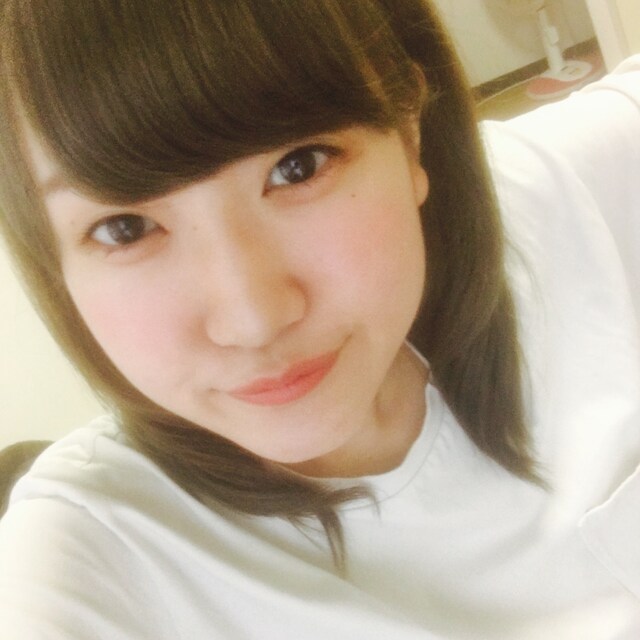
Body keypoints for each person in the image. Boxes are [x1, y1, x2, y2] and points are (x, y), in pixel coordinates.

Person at [0, 0, 638, 637]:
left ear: (409, 133)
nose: (253, 320)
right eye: (125, 228)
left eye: (298, 167)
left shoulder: (553, 204)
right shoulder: (90, 555)